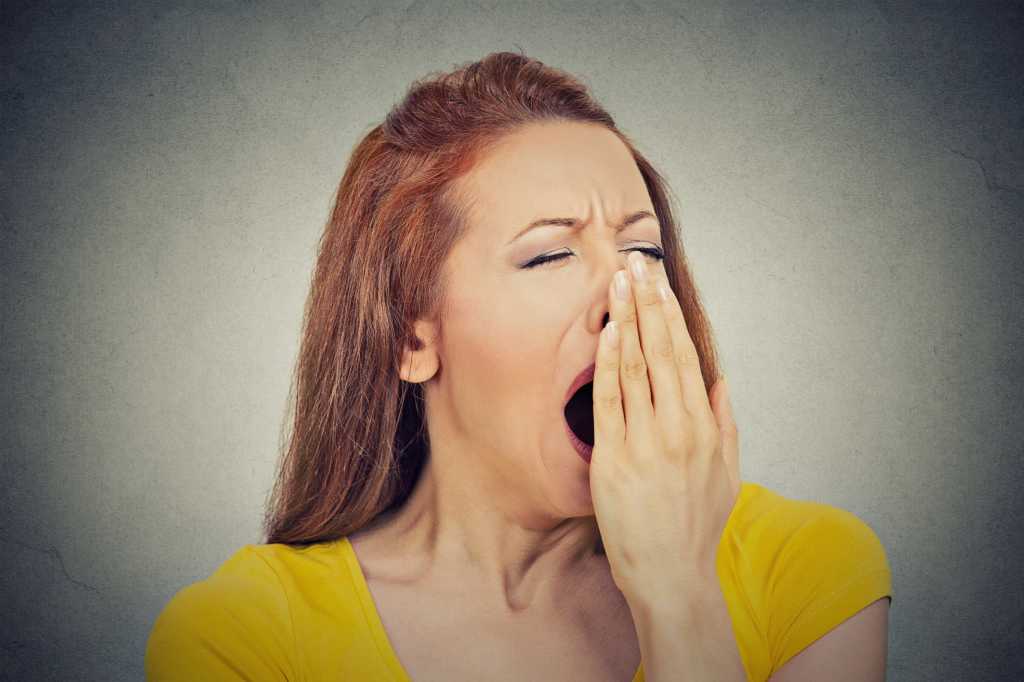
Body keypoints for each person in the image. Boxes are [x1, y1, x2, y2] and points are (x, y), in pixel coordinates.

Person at [145, 51, 893, 681]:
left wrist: (680, 597)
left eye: (644, 249)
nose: (624, 295)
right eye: (548, 255)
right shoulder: (245, 637)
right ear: (410, 338)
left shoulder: (804, 568)